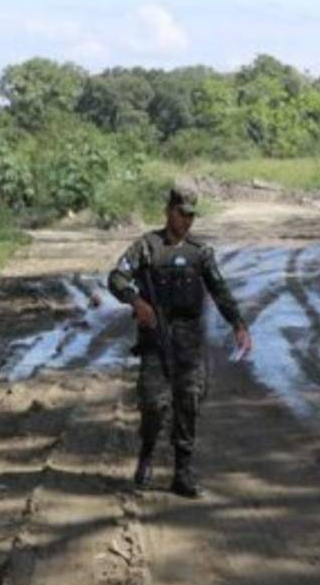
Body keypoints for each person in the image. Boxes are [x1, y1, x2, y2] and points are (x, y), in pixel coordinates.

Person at [107, 184, 252, 498]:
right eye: (181, 213)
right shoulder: (146, 247)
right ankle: (146, 455)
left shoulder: (200, 253)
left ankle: (182, 473)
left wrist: (238, 325)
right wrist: (137, 302)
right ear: (168, 211)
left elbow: (220, 290)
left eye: (190, 215)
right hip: (155, 338)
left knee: (188, 404)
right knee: (152, 404)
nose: (186, 221)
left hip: (189, 341)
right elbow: (116, 278)